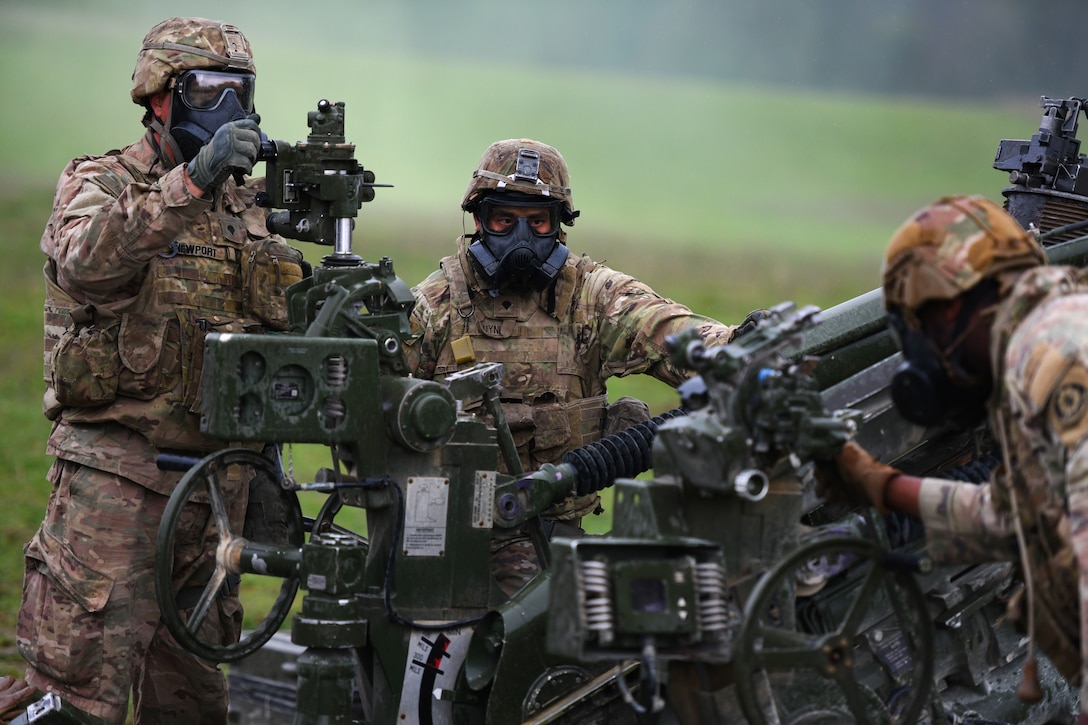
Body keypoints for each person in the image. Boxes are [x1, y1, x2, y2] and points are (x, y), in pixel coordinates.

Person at [19, 17, 303, 724]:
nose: (231, 111)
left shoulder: (255, 213)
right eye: (210, 90)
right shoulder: (101, 181)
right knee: (77, 701)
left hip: (215, 501)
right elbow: (85, 264)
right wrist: (194, 181)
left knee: (195, 705)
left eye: (243, 92)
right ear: (160, 95)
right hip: (115, 496)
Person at [405, 138, 752, 594]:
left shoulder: (591, 296)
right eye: (505, 220)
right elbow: (377, 413)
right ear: (479, 220)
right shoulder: (437, 305)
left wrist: (735, 347)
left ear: (560, 228)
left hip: (552, 533)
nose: (521, 238)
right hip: (445, 532)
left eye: (538, 222)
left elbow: (663, 328)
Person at [818, 194, 1088, 719]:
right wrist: (882, 488)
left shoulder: (1054, 351)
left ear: (949, 308)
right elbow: (1018, 517)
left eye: (918, 328)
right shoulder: (1043, 339)